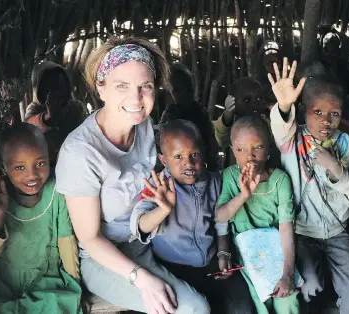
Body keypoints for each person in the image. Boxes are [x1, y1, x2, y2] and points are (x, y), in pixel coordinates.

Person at [54, 36, 210, 314]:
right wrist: (141, 278)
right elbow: (90, 238)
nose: (135, 99)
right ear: (101, 89)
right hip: (104, 259)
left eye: (145, 87)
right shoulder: (80, 152)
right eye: (121, 86)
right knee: (194, 309)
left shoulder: (146, 127)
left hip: (144, 242)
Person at [269, 58, 349, 314]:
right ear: (303, 111)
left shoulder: (347, 144)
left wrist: (335, 167)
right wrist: (284, 104)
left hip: (338, 231)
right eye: (318, 112)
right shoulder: (292, 139)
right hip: (302, 232)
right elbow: (280, 126)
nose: (326, 121)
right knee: (309, 286)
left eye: (334, 114)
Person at [131, 119, 255, 314]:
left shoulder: (214, 181)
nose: (188, 163)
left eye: (194, 154)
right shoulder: (158, 187)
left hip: (211, 262)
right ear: (164, 160)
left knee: (242, 308)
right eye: (178, 156)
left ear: (203, 153)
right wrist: (163, 210)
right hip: (173, 267)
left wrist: (223, 253)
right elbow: (141, 225)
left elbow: (221, 222)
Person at [0, 123, 82, 313]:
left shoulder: (56, 191)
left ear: (50, 157)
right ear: (4, 168)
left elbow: (66, 241)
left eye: (40, 164)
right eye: (19, 167)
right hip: (3, 286)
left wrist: (76, 285)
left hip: (47, 283)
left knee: (64, 302)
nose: (32, 175)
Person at [215, 115, 300, 314]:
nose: (249, 156)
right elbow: (221, 217)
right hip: (246, 259)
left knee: (288, 302)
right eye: (241, 149)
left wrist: (287, 273)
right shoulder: (229, 177)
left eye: (258, 147)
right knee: (260, 304)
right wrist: (244, 195)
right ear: (232, 151)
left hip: (277, 255)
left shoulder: (280, 181)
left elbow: (286, 229)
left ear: (269, 148)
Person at [25, 61, 88, 165]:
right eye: (50, 86)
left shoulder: (76, 108)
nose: (57, 91)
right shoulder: (34, 109)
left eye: (60, 85)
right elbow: (30, 129)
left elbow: (85, 133)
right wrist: (49, 115)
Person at [159, 63, 220, 171]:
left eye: (189, 90)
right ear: (168, 93)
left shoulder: (200, 112)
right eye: (177, 91)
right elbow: (161, 143)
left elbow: (212, 143)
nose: (184, 94)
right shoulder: (169, 114)